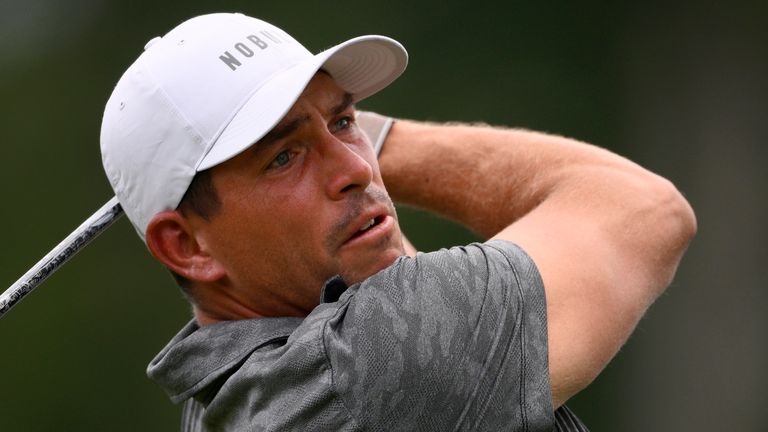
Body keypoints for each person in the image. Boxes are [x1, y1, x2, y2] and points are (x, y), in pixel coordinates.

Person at [99, 12, 696, 432]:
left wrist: (316, 138)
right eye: (283, 156)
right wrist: (385, 139)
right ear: (186, 245)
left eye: (343, 122)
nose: (356, 169)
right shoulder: (365, 366)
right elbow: (642, 208)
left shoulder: (220, 397)